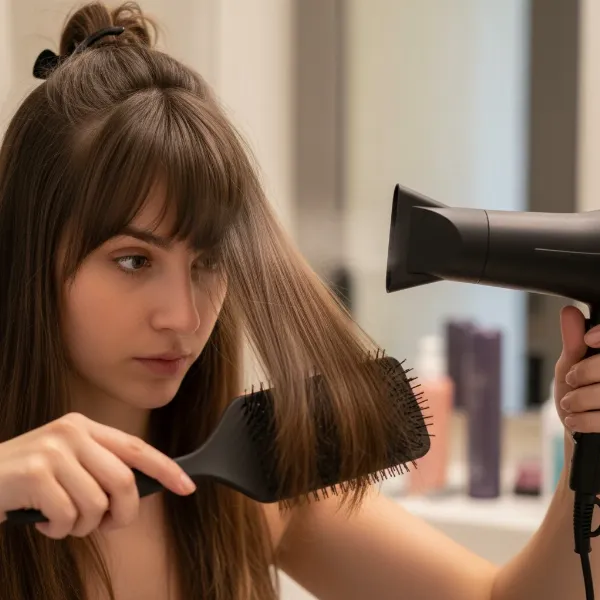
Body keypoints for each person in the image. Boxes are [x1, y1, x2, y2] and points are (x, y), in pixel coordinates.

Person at [0, 2, 598, 599]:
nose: (184, 316)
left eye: (210, 262)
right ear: (30, 256)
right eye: (134, 260)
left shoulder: (253, 473)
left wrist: (586, 455)